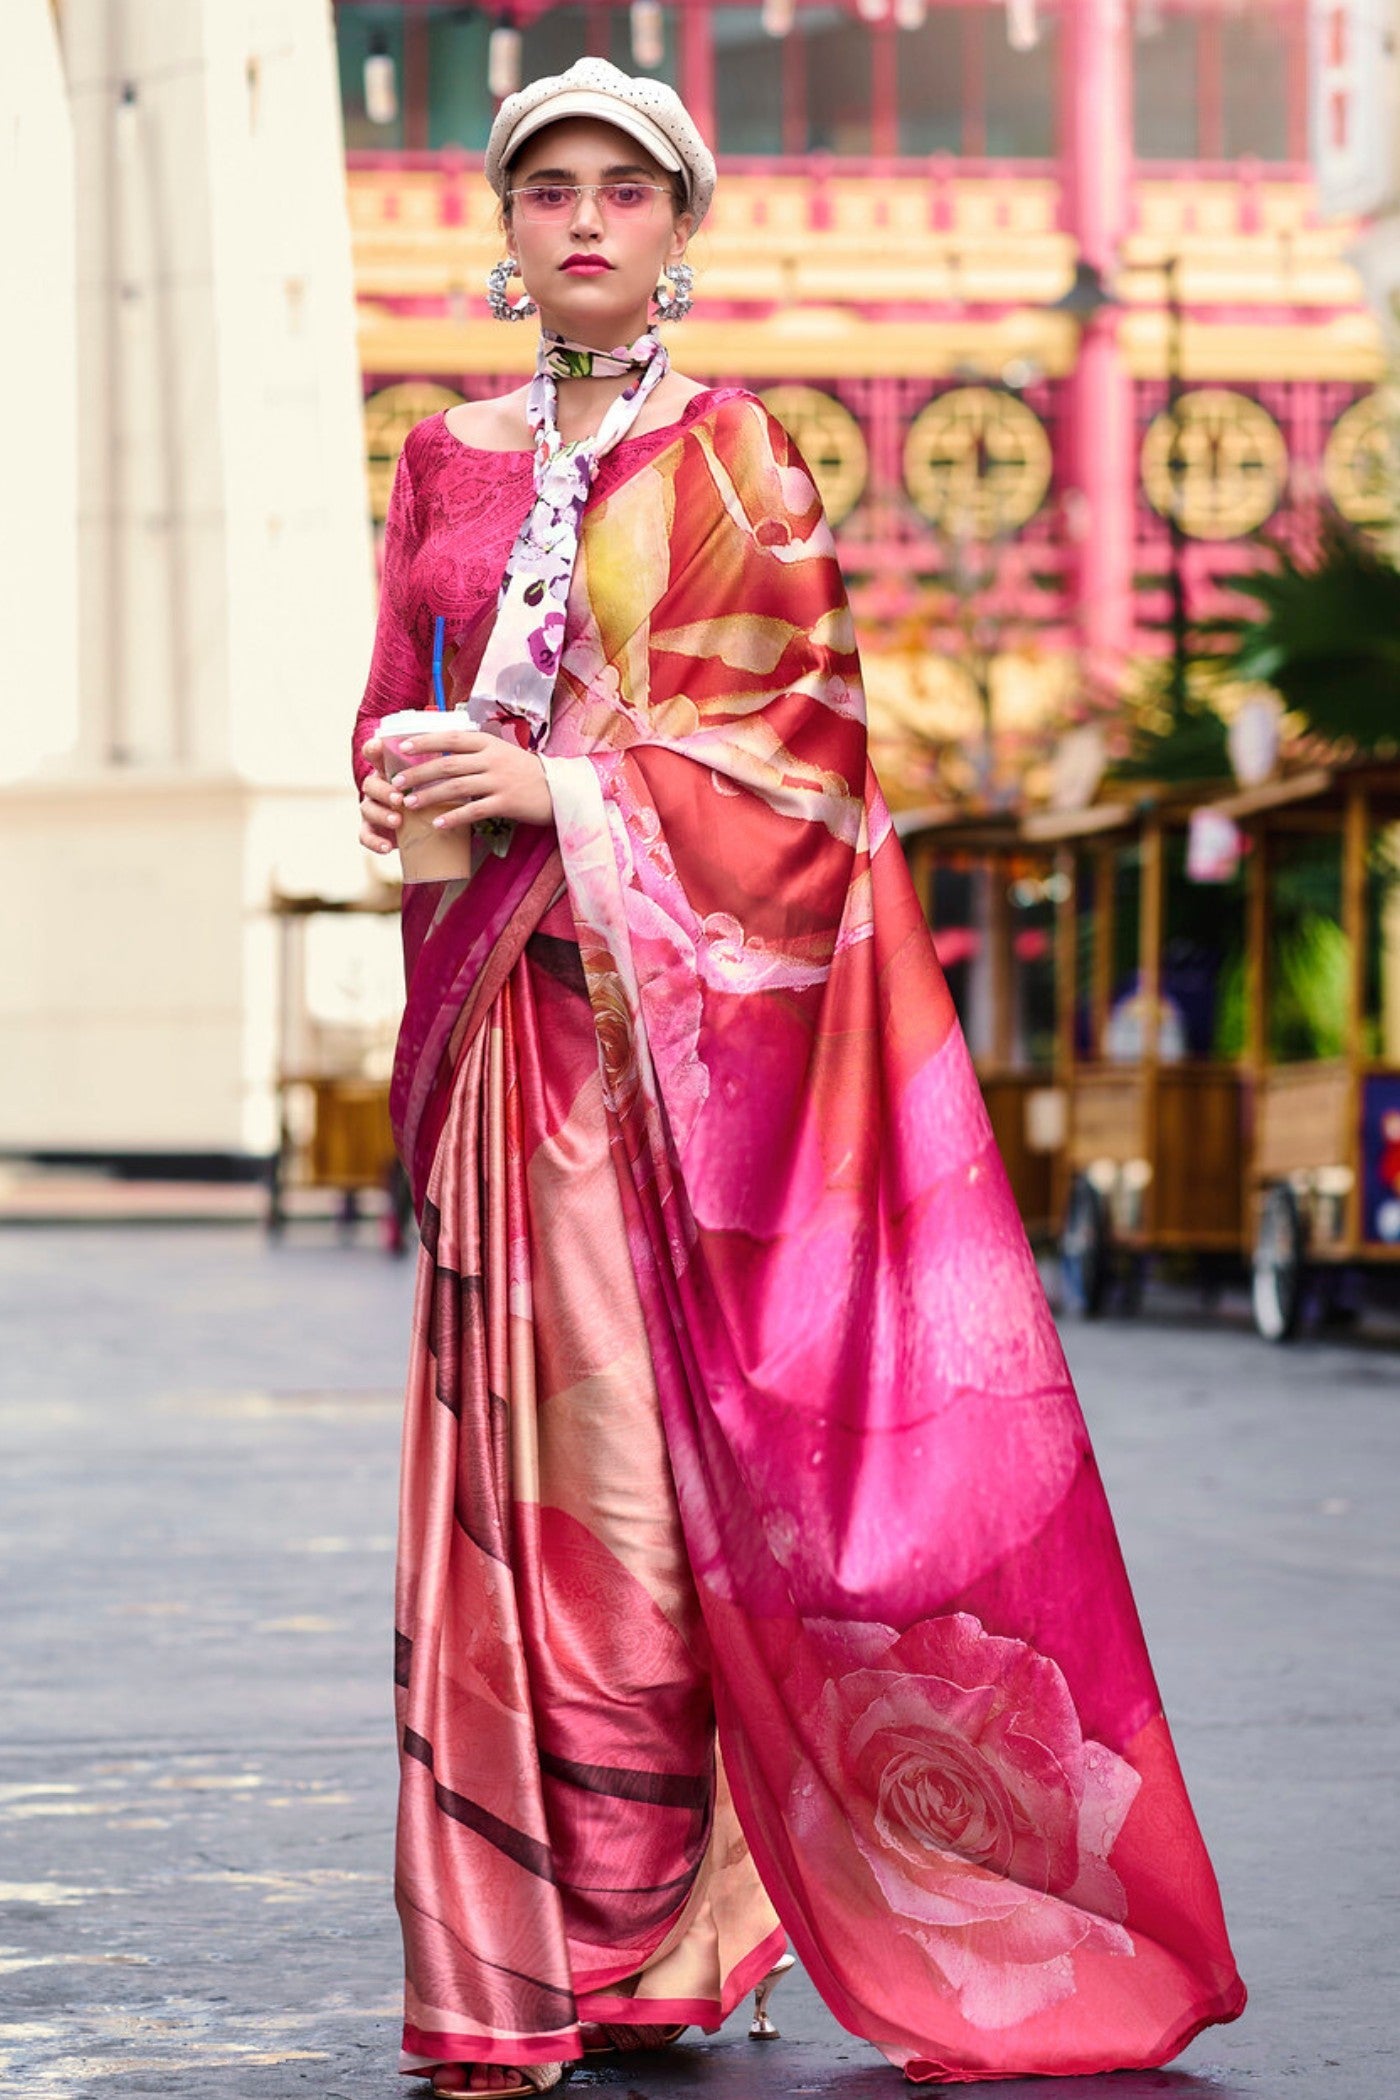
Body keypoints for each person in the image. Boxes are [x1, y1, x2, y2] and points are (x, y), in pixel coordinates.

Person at [353, 58, 1245, 2099]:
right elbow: (382, 705)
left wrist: (560, 791)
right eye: (547, 188)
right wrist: (414, 783)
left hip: (676, 1069)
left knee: (645, 1506)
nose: (583, 221)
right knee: (516, 1502)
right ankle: (524, 1947)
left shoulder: (742, 458)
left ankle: (655, 1932)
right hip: (501, 1048)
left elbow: (812, 775)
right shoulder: (440, 460)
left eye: (625, 191)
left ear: (682, 227)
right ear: (502, 227)